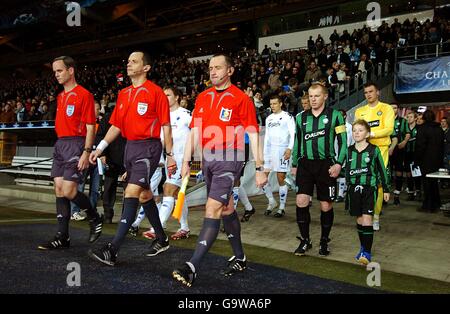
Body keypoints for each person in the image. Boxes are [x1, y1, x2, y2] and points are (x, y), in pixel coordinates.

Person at [172, 53, 267, 287]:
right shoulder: (202, 98)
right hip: (207, 159)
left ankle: (192, 266)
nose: (213, 71)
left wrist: (260, 166)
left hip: (230, 159)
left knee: (212, 207)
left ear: (230, 71)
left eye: (218, 67)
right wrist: (186, 161)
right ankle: (240, 256)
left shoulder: (241, 99)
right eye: (210, 68)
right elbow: (194, 131)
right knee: (227, 208)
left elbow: (253, 133)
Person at [88, 51, 176, 266]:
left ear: (146, 68)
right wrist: (100, 148)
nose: (128, 64)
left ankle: (113, 249)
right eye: (128, 61)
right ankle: (162, 238)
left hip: (149, 148)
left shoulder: (156, 93)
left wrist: (171, 155)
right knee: (145, 195)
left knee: (131, 192)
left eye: (134, 61)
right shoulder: (124, 93)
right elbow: (116, 125)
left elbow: (166, 126)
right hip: (131, 148)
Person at [38, 56, 104, 250]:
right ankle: (62, 236)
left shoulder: (84, 95)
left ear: (71, 70)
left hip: (77, 144)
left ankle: (94, 216)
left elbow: (91, 127)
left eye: (59, 71)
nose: (56, 74)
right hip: (61, 144)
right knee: (59, 189)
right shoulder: (60, 96)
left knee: (69, 190)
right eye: (55, 72)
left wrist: (86, 151)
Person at [291, 83, 347, 257]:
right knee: (301, 201)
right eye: (310, 96)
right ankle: (305, 240)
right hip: (305, 165)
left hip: (326, 165)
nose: (313, 99)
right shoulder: (301, 118)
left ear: (325, 96)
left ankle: (324, 240)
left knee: (325, 204)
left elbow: (343, 142)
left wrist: (338, 163)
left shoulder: (336, 116)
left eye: (316, 96)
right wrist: (294, 163)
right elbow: (297, 142)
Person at [131, 86, 192, 240]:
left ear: (177, 97)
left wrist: (192, 158)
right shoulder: (161, 117)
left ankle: (156, 227)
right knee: (177, 193)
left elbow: (197, 135)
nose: (165, 98)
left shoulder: (186, 115)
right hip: (169, 160)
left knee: (168, 189)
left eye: (168, 95)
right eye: (163, 95)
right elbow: (161, 141)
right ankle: (184, 228)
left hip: (183, 160)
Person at [346, 120, 390, 265]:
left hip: (369, 189)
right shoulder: (349, 150)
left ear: (367, 133)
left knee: (367, 219)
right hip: (354, 189)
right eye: (354, 130)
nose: (357, 133)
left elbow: (382, 171)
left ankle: (367, 252)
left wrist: (386, 189)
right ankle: (363, 247)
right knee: (359, 220)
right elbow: (346, 171)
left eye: (360, 130)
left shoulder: (374, 150)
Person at [354, 82, 394, 231]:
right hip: (363, 150)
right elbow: (357, 130)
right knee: (363, 182)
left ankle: (375, 216)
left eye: (371, 91)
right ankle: (364, 215)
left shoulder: (386, 108)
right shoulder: (360, 111)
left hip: (381, 149)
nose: (368, 94)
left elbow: (389, 129)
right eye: (366, 92)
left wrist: (371, 134)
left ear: (378, 92)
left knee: (377, 183)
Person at [262, 94, 295, 217]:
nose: (272, 106)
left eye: (275, 104)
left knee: (280, 177)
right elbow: (267, 138)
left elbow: (293, 134)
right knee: (262, 178)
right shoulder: (269, 118)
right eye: (271, 104)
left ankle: (281, 207)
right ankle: (271, 201)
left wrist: (289, 148)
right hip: (270, 151)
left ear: (281, 104)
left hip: (282, 150)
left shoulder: (287, 117)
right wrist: (265, 153)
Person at [415, 110, 444, 212]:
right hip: (437, 160)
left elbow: (420, 147)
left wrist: (416, 160)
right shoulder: (439, 129)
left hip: (426, 160)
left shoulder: (422, 129)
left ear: (424, 118)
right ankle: (436, 202)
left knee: (427, 183)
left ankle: (428, 205)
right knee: (434, 182)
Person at [389, 103, 410, 205]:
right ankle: (384, 196)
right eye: (391, 108)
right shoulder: (385, 120)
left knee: (398, 172)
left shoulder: (403, 121)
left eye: (395, 108)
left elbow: (408, 134)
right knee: (386, 172)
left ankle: (397, 195)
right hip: (387, 150)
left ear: (398, 109)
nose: (393, 109)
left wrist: (404, 142)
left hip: (399, 150)